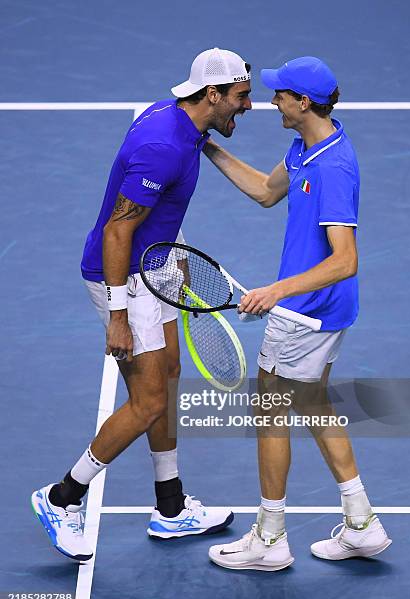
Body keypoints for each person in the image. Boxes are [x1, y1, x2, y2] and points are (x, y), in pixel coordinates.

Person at [31, 48, 252, 561]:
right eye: (241, 98)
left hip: (153, 267)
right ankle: (62, 496)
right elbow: (117, 228)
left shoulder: (183, 123)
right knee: (148, 399)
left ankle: (171, 508)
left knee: (168, 374)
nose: (247, 107)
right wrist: (117, 315)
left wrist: (171, 257)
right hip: (125, 277)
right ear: (212, 94)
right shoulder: (162, 146)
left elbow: (153, 215)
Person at [204, 56, 392, 571]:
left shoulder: (333, 166)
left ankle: (269, 538)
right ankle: (362, 525)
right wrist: (209, 147)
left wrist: (276, 292)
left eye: (280, 94)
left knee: (269, 417)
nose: (271, 101)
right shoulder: (308, 145)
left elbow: (345, 260)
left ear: (303, 102)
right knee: (312, 403)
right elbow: (267, 191)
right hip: (322, 311)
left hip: (306, 313)